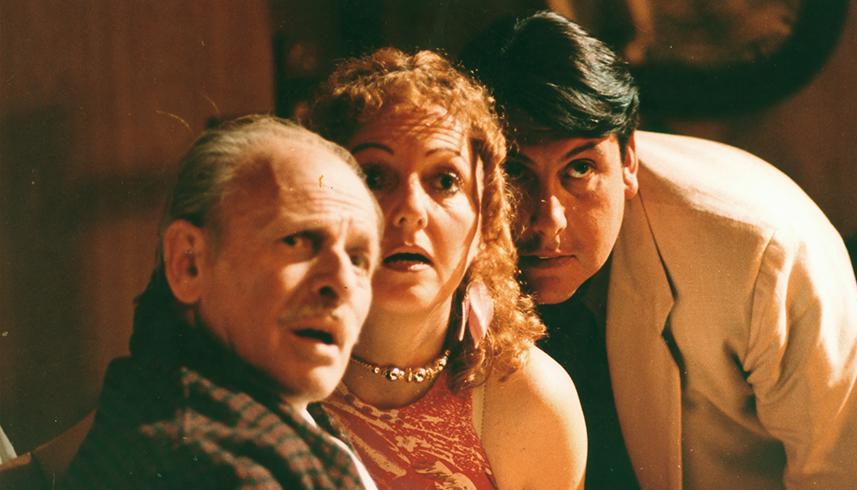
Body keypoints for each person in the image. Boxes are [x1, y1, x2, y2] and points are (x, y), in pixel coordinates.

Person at [461, 11, 857, 489]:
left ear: (628, 160)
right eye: (514, 172)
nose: (549, 220)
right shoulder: (438, 228)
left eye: (580, 169)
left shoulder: (760, 250)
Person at [306, 48, 587, 489]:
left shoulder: (529, 401)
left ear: (486, 218)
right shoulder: (264, 376)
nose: (410, 210)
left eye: (444, 181)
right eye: (375, 177)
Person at [61, 115, 381, 489]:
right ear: (189, 264)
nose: (341, 283)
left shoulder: (273, 425)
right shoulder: (207, 464)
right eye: (296, 241)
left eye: (358, 259)